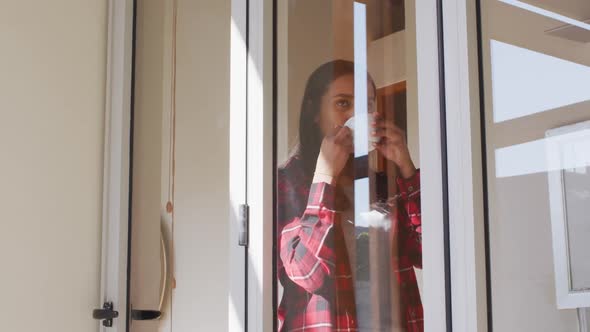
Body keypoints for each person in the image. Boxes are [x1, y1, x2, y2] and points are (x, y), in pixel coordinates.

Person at [277, 60, 423, 331]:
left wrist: (406, 168)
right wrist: (324, 177)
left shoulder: (382, 185)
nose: (359, 115)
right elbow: (308, 271)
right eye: (343, 103)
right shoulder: (288, 183)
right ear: (314, 113)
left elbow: (430, 254)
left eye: (368, 105)